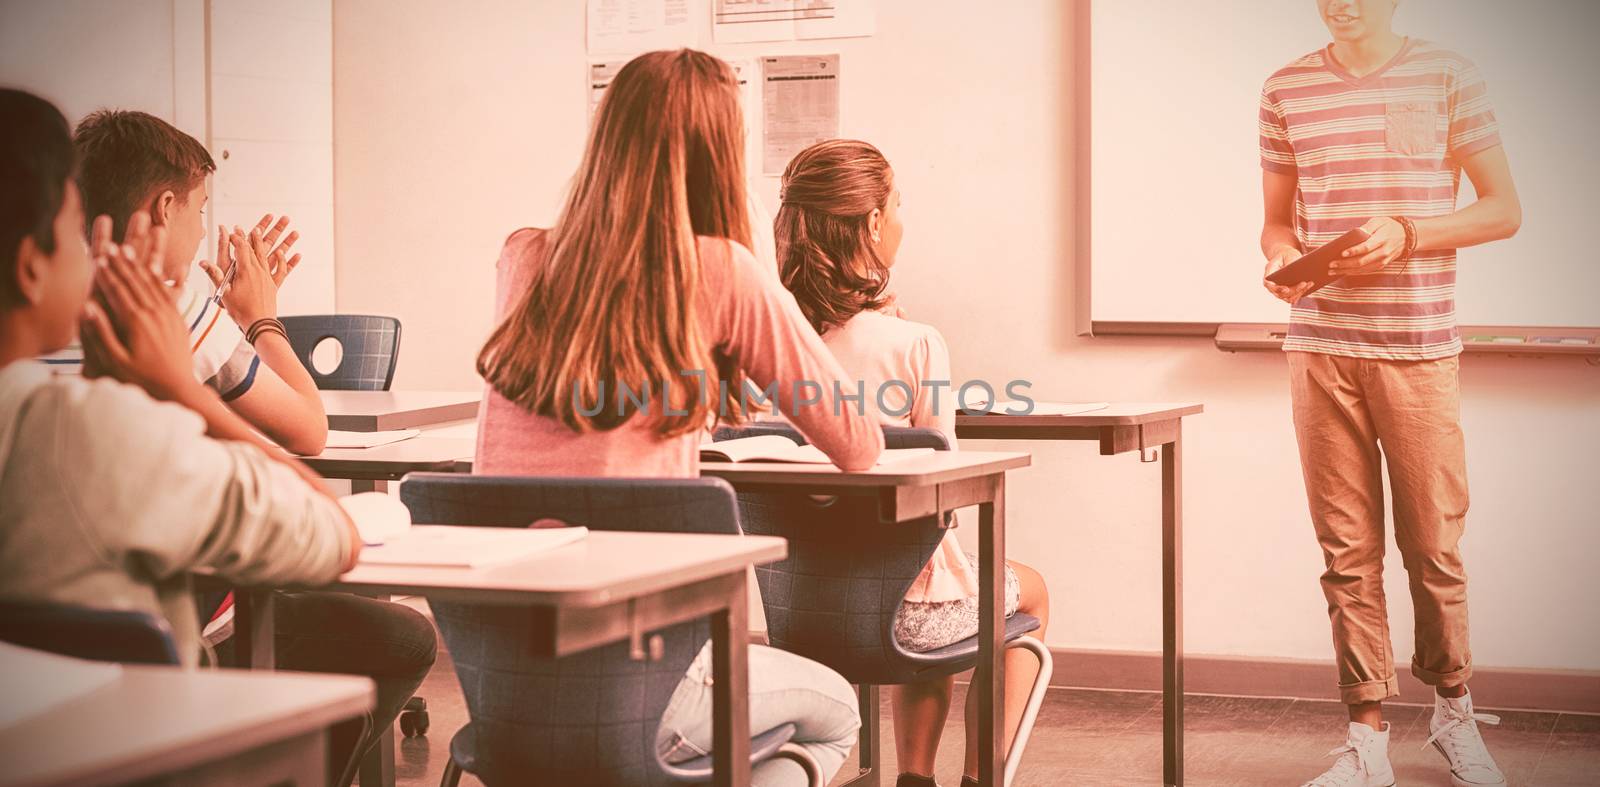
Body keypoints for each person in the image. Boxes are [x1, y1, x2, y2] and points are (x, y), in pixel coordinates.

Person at [473, 49, 885, 786]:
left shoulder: (522, 255)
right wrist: (760, 262)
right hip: (650, 680)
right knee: (837, 713)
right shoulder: (722, 269)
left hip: (503, 688)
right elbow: (858, 442)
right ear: (720, 156)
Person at [0, 87, 388, 784]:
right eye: (69, 221)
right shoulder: (100, 426)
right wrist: (176, 383)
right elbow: (329, 522)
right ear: (33, 265)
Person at [1258, 2, 1521, 785]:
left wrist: (1408, 232)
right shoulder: (1285, 89)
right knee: (1347, 555)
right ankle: (1366, 739)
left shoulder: (1448, 75)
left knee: (1433, 549)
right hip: (1319, 348)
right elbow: (1274, 225)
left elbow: (1504, 209)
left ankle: (1453, 714)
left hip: (1417, 350)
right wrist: (1281, 258)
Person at [776, 139, 1051, 787]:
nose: (902, 218)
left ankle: (915, 776)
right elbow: (940, 493)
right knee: (1017, 584)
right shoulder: (915, 343)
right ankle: (980, 777)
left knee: (922, 571)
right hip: (907, 618)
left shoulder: (760, 336)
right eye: (898, 204)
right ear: (872, 223)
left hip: (792, 607)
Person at [57, 109, 327, 456]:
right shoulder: (179, 313)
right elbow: (310, 432)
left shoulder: (41, 313)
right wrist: (260, 320)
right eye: (200, 209)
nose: (202, 230)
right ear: (165, 207)